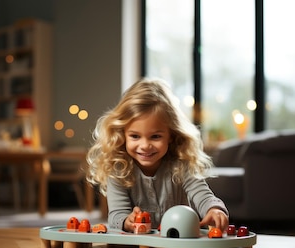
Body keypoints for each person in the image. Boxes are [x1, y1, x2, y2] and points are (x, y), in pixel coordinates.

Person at [86, 77, 229, 233]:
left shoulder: (181, 165)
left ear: (171, 135)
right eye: (135, 136)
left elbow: (202, 195)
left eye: (155, 137)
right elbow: (116, 216)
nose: (145, 145)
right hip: (136, 246)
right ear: (122, 135)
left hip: (175, 245)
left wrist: (214, 209)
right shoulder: (118, 170)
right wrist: (128, 221)